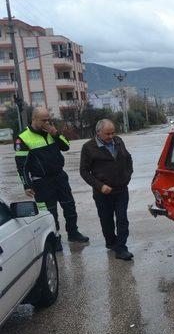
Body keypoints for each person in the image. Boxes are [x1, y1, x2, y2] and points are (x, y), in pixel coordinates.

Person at [14, 107, 89, 251]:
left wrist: (55, 133)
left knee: (69, 206)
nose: (47, 122)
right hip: (41, 182)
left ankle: (73, 233)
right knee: (50, 213)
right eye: (44, 120)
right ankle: (55, 239)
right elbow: (21, 166)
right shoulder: (23, 138)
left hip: (60, 177)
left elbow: (66, 146)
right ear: (34, 119)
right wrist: (26, 185)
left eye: (49, 119)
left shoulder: (51, 132)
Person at [79, 119, 134, 261]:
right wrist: (99, 186)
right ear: (98, 133)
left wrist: (127, 176)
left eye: (113, 133)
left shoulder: (119, 141)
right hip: (102, 193)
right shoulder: (88, 147)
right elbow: (84, 172)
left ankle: (121, 248)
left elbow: (128, 159)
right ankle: (111, 242)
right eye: (107, 134)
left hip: (121, 190)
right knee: (106, 220)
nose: (111, 137)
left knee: (122, 219)